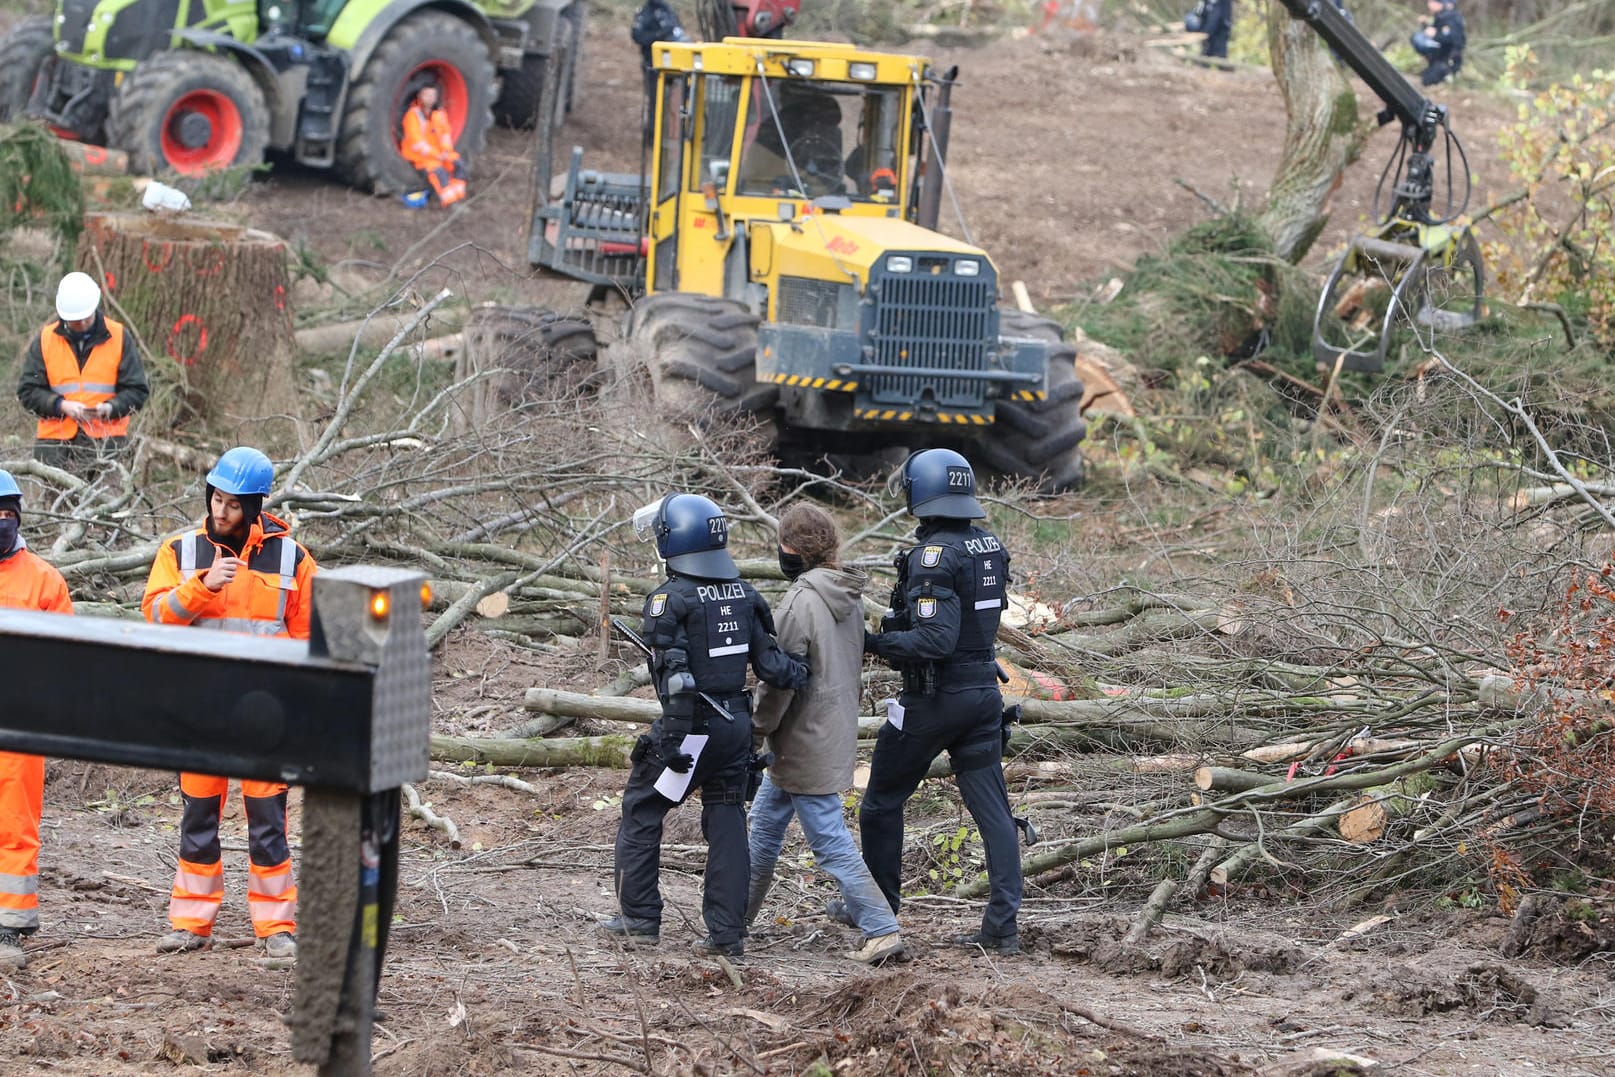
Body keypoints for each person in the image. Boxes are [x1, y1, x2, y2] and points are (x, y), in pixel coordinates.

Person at [604, 493, 809, 958]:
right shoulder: (745, 594)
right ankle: (726, 934)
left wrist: (674, 741)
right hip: (735, 726)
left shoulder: (668, 601)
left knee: (642, 809)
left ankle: (638, 917)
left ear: (673, 540)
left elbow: (676, 680)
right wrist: (811, 675)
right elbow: (775, 668)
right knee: (727, 820)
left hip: (690, 728)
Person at [141, 447, 316, 960]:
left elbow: (314, 641)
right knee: (198, 820)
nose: (221, 511)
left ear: (256, 506)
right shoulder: (181, 552)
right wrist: (200, 588)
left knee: (268, 823)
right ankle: (190, 924)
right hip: (200, 713)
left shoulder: (293, 559)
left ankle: (276, 928)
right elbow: (153, 617)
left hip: (266, 717)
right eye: (216, 499)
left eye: (234, 504)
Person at [862, 449, 1023, 955]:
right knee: (993, 810)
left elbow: (935, 640)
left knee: (880, 802)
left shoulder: (934, 556)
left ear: (921, 494)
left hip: (934, 698)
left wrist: (869, 643)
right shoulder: (989, 546)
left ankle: (879, 909)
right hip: (982, 696)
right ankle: (1002, 928)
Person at [745, 504, 903, 965]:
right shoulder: (846, 595)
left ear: (790, 548)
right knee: (764, 830)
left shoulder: (799, 602)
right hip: (829, 732)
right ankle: (733, 920)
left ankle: (880, 927)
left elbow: (780, 681)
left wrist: (754, 730)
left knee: (830, 842)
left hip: (802, 740)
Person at [0, 471, 73, 969]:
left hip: (18, 723)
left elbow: (63, 657)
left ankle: (10, 929)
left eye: (8, 514)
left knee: (15, 824)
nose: (2, 522)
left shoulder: (44, 579)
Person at [15, 271, 150, 473]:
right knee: (56, 502)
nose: (82, 323)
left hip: (107, 442)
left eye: (86, 318)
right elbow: (27, 391)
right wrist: (60, 405)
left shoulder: (119, 337)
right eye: (76, 320)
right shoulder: (46, 340)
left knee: (107, 501)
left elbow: (137, 391)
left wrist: (109, 408)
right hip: (54, 444)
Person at [400, 84, 467, 207]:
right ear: (420, 96)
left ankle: (459, 196)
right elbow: (417, 143)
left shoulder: (439, 114)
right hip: (420, 156)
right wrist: (437, 155)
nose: (430, 98)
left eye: (433, 95)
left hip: (439, 153)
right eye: (427, 95)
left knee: (458, 164)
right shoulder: (412, 116)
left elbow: (445, 134)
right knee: (439, 172)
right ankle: (450, 203)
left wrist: (446, 151)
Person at [1411, 0, 1465, 86]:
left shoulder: (1452, 17)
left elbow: (1454, 40)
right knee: (1417, 38)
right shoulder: (1441, 16)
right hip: (1439, 58)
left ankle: (1446, 75)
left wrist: (1435, 35)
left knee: (1428, 80)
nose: (1429, 4)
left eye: (1432, 1)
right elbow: (1434, 32)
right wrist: (1425, 25)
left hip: (1447, 60)